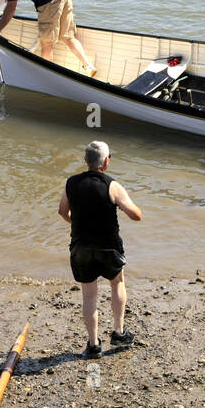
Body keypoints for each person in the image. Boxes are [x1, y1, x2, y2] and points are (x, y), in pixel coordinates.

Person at [58, 141, 143, 358]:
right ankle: (118, 331)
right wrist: (129, 207)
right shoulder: (112, 185)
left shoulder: (71, 183)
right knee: (117, 283)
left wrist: (78, 224)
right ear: (106, 161)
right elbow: (136, 215)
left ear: (86, 160)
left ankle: (93, 344)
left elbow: (62, 211)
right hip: (108, 246)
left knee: (88, 295)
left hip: (81, 246)